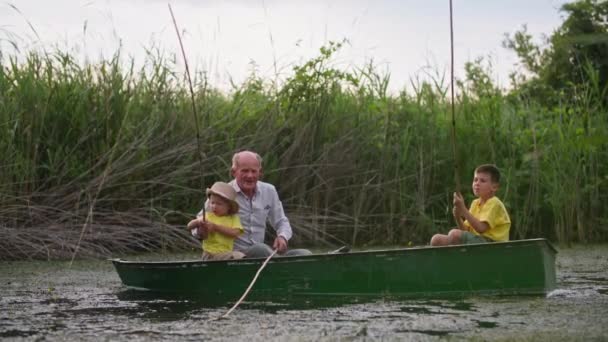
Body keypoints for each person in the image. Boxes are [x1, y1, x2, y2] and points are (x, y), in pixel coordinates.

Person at [199, 150, 312, 258]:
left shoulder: (269, 190)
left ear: (260, 172)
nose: (250, 176)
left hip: (263, 255)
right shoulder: (223, 193)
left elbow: (281, 221)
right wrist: (201, 230)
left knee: (304, 253)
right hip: (235, 255)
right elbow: (200, 220)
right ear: (234, 172)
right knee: (260, 249)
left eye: (254, 171)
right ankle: (278, 265)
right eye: (245, 171)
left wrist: (282, 237)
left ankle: (279, 265)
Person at [430, 164, 511, 246]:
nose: (477, 183)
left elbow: (481, 228)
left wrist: (463, 209)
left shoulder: (494, 203)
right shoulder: (475, 203)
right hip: (478, 241)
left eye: (482, 181)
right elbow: (466, 231)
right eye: (475, 180)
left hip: (493, 244)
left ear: (494, 187)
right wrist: (458, 217)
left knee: (454, 234)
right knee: (436, 239)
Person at [187, 182, 245, 260]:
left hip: (225, 253)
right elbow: (189, 226)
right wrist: (198, 222)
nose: (214, 206)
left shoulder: (233, 218)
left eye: (219, 204)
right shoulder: (207, 216)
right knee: (237, 256)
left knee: (237, 256)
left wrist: (215, 227)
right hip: (209, 254)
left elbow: (235, 233)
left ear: (229, 207)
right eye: (212, 203)